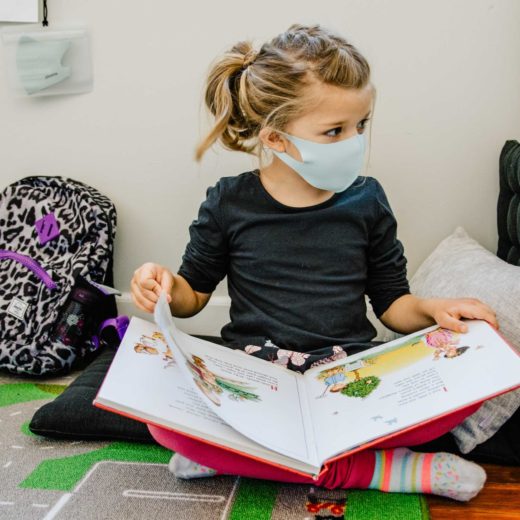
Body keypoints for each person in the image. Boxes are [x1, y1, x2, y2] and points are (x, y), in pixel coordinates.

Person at [130, 23, 501, 502]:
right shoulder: (229, 202)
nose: (355, 140)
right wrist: (159, 284)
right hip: (257, 379)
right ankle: (378, 471)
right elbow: (191, 297)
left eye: (361, 125)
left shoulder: (367, 200)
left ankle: (243, 457)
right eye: (335, 131)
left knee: (464, 390)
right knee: (161, 425)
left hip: (348, 379)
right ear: (277, 138)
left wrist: (433, 310)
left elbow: (392, 304)